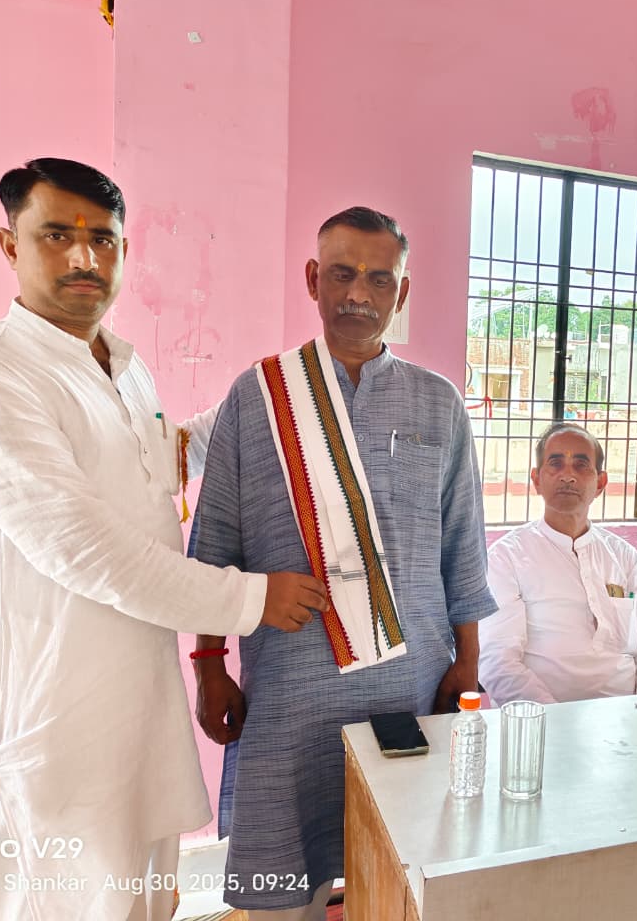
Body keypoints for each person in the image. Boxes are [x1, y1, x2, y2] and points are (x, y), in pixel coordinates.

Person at [0, 158, 327, 921]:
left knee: (139, 903)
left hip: (132, 719)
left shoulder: (121, 367)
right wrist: (250, 600)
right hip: (40, 732)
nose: (84, 257)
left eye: (102, 239)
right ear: (9, 246)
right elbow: (79, 545)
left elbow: (162, 461)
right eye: (56, 235)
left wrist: (270, 390)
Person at [189, 206, 497, 919]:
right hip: (288, 690)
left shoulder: (439, 403)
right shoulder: (259, 396)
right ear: (312, 280)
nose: (359, 294)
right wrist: (209, 667)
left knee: (405, 874)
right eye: (342, 274)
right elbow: (215, 541)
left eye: (379, 279)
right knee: (281, 884)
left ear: (402, 291)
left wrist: (468, 663)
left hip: (412, 685)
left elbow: (463, 545)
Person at [479, 424, 637, 705]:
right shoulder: (506, 557)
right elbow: (497, 660)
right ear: (536, 479)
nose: (567, 475)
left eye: (581, 465)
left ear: (601, 483)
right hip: (542, 720)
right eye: (555, 463)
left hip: (625, 716)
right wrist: (555, 720)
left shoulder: (624, 556)